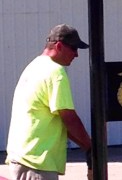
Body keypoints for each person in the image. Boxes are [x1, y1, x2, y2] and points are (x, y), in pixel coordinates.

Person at [6, 24, 93, 180]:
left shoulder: (34, 67)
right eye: (74, 48)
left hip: (22, 158)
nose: (76, 55)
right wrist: (92, 147)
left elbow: (59, 122)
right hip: (37, 164)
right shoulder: (55, 72)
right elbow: (69, 118)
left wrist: (85, 144)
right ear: (59, 46)